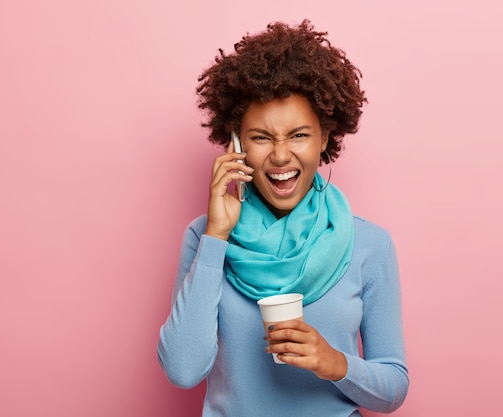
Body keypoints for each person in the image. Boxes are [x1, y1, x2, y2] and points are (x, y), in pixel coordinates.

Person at [158, 20, 409, 416]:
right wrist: (217, 235)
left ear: (325, 137)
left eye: (298, 135)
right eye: (260, 137)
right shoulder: (204, 236)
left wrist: (335, 364)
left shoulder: (370, 245)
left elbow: (394, 388)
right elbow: (183, 370)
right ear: (236, 142)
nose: (279, 156)